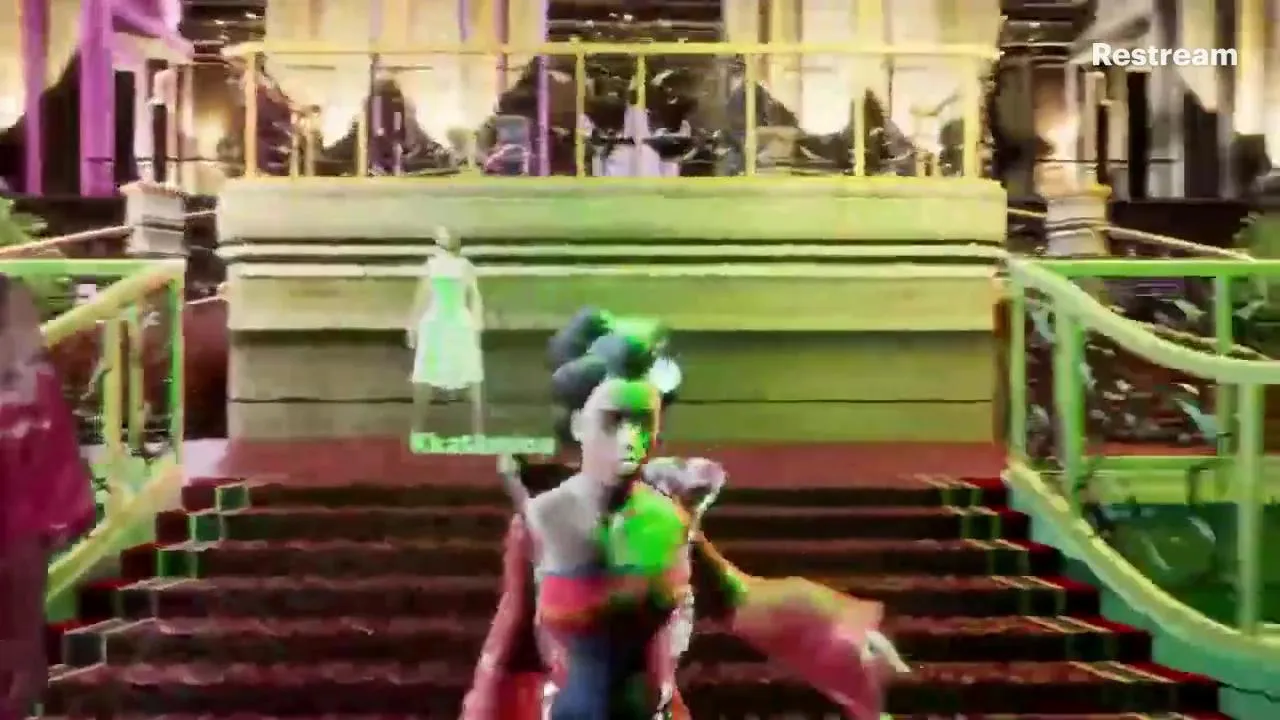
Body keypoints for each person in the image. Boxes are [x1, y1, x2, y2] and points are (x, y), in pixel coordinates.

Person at [461, 309, 905, 720]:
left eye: (643, 420)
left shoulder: (669, 519)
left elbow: (739, 597)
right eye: (613, 420)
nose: (630, 439)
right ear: (579, 424)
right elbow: (510, 650)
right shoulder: (540, 524)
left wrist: (839, 640)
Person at [0, 274, 96, 720]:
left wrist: (57, 519)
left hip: (19, 531)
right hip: (22, 528)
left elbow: (53, 459)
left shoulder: (32, 385)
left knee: (20, 650)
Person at [407, 227, 485, 435]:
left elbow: (421, 299)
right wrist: (477, 325)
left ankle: (418, 428)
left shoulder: (433, 266)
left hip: (438, 322)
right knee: (469, 377)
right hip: (457, 322)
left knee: (427, 376)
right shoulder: (464, 267)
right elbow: (475, 299)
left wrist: (412, 326)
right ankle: (477, 431)